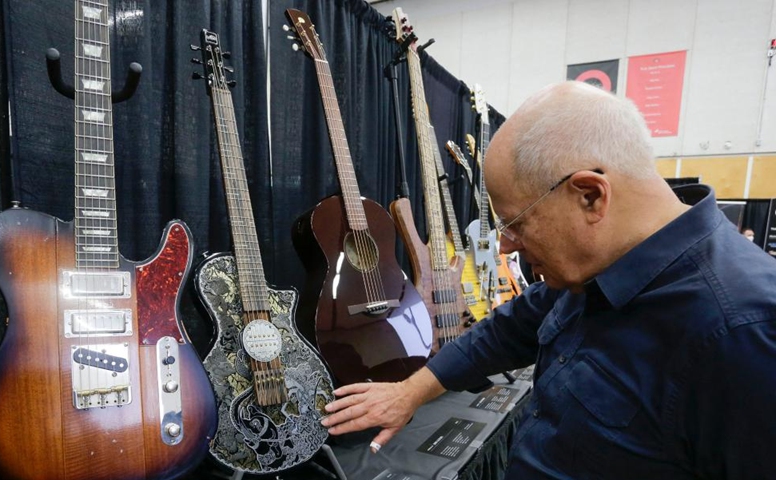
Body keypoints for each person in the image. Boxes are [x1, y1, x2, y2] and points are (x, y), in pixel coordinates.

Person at [320, 81, 776, 479]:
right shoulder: (592, 269)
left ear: (591, 196)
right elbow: (507, 328)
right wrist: (409, 391)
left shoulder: (743, 334)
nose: (505, 247)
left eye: (515, 224)